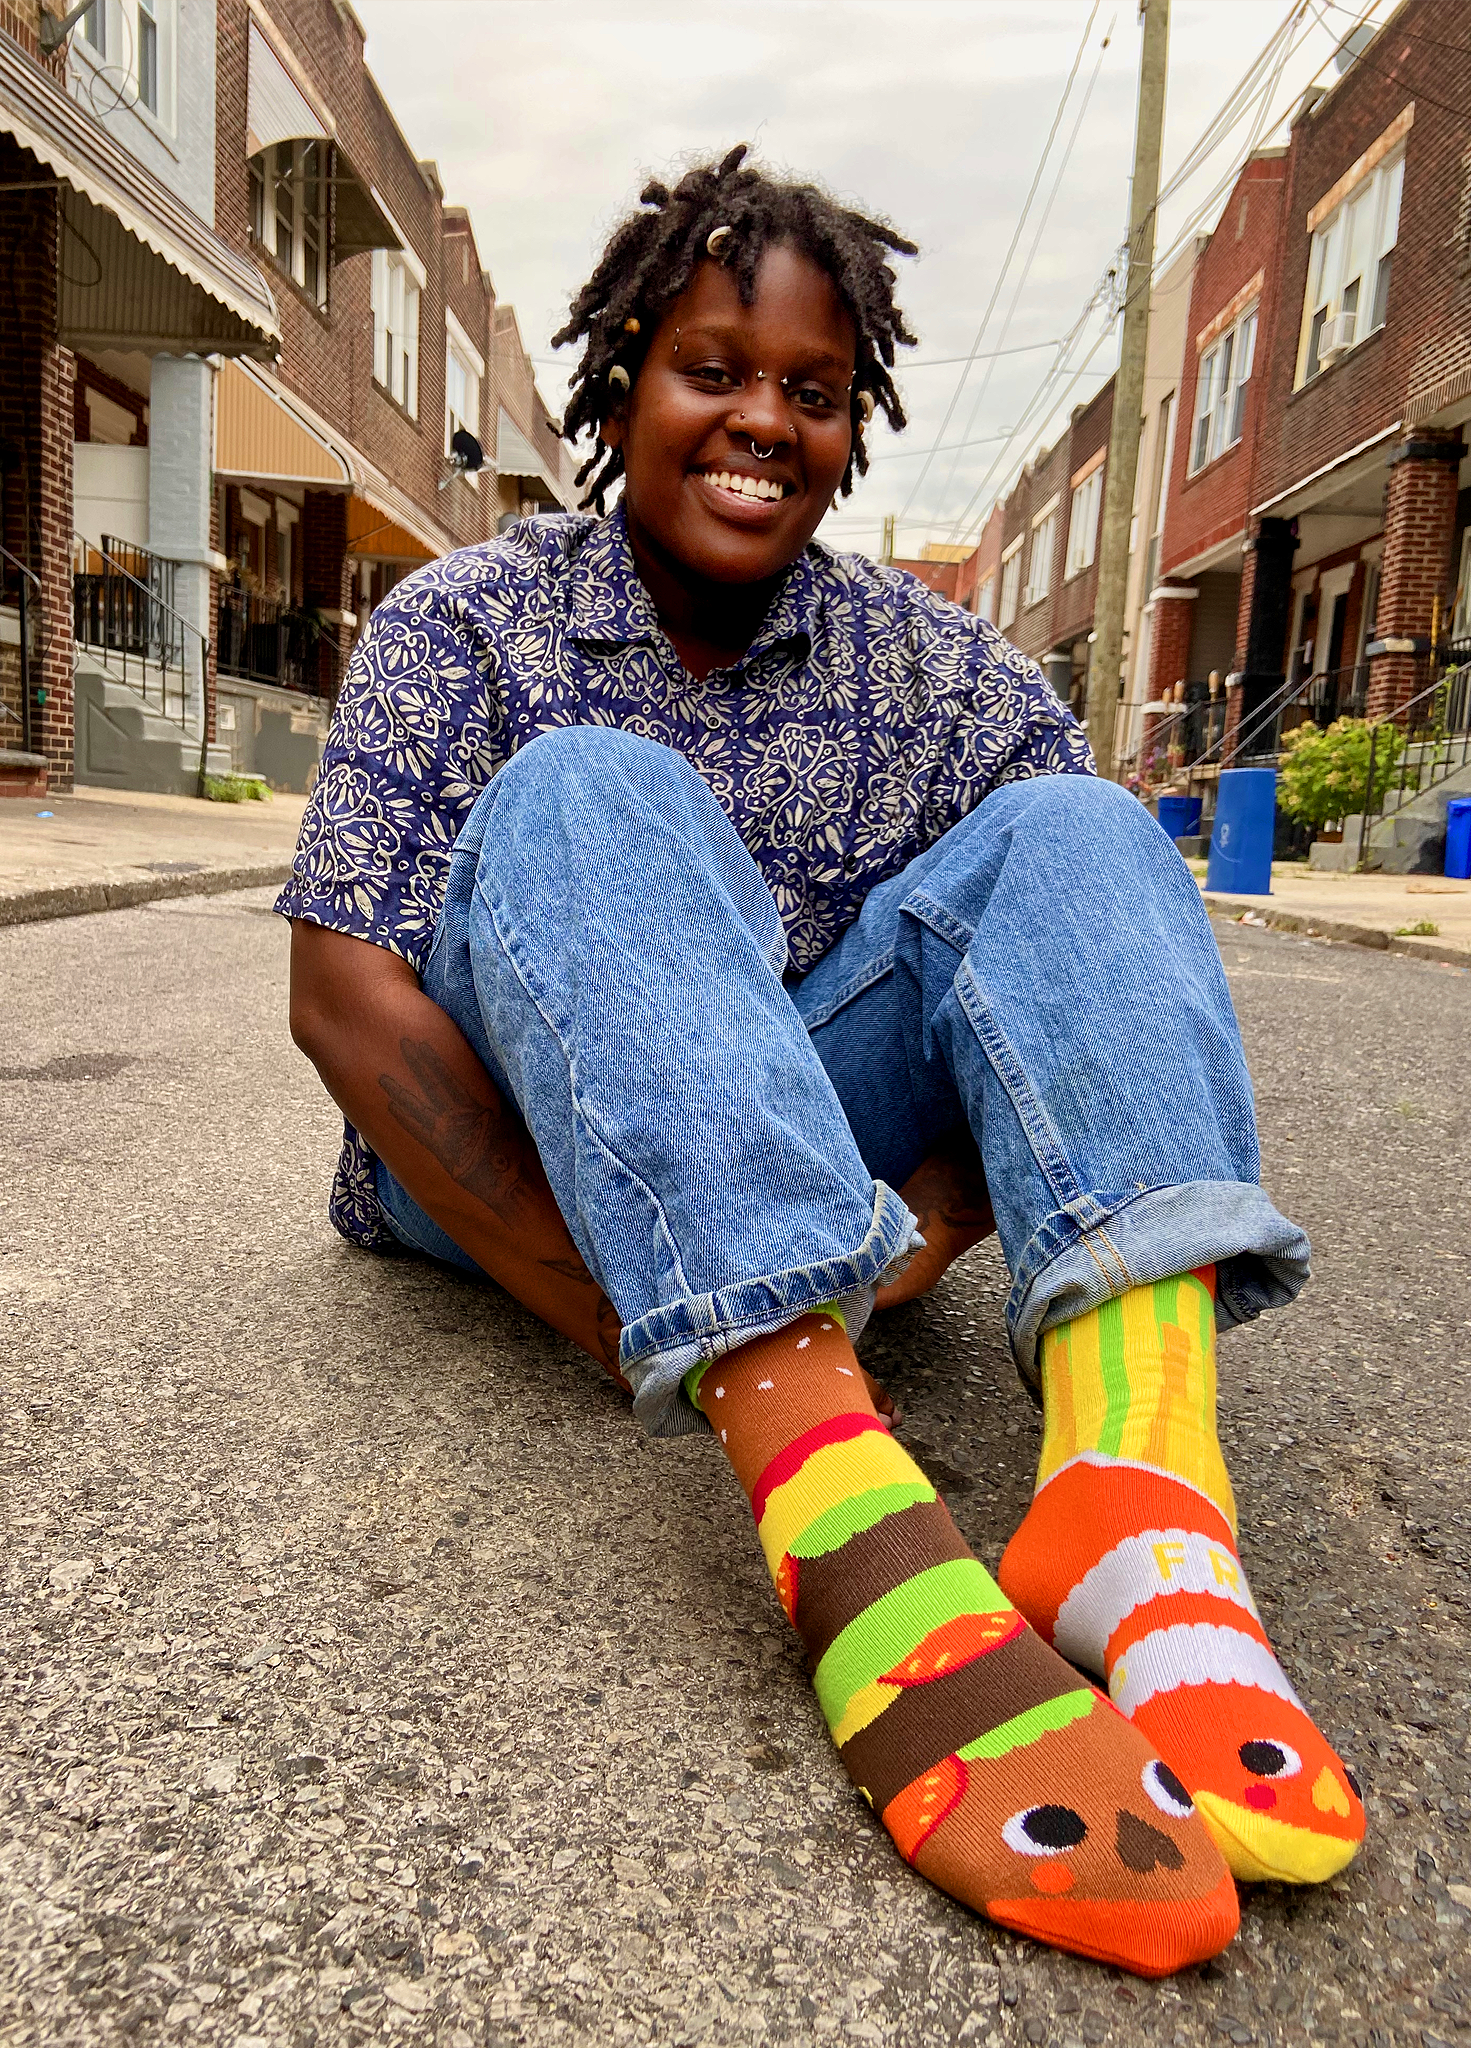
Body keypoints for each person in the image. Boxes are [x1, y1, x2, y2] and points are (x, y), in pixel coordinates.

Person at [280, 146, 1364, 1978]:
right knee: (587, 787)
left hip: (803, 1157)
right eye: (712, 369)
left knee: (1083, 829)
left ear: (853, 424)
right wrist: (694, 1310)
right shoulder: (463, 623)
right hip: (522, 1170)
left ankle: (1137, 1500)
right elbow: (339, 996)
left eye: (810, 389)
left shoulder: (931, 671)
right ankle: (842, 1506)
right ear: (624, 372)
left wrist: (911, 1229)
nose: (759, 422)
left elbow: (1044, 974)